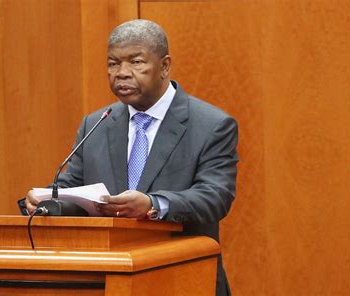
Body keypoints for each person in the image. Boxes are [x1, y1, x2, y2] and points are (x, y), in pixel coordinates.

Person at [21, 19, 238, 296]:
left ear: (165, 66)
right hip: (109, 281)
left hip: (183, 281)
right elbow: (72, 191)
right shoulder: (97, 123)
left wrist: (152, 204)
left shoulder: (211, 124)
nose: (121, 73)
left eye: (135, 62)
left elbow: (215, 197)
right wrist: (47, 202)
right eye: (113, 64)